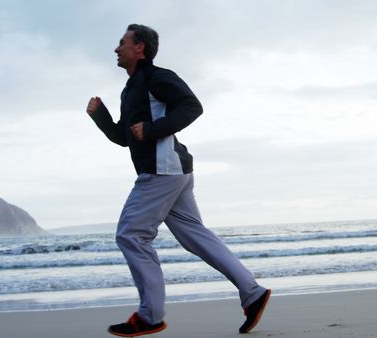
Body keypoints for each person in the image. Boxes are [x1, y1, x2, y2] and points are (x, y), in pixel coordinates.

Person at [86, 24, 271, 337]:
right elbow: (126, 137)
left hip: (163, 169)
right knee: (195, 236)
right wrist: (101, 117)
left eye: (122, 43)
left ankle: (150, 315)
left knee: (131, 234)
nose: (117, 49)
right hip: (172, 171)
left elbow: (192, 106)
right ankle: (252, 293)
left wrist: (155, 129)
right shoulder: (131, 89)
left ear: (140, 48)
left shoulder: (157, 77)